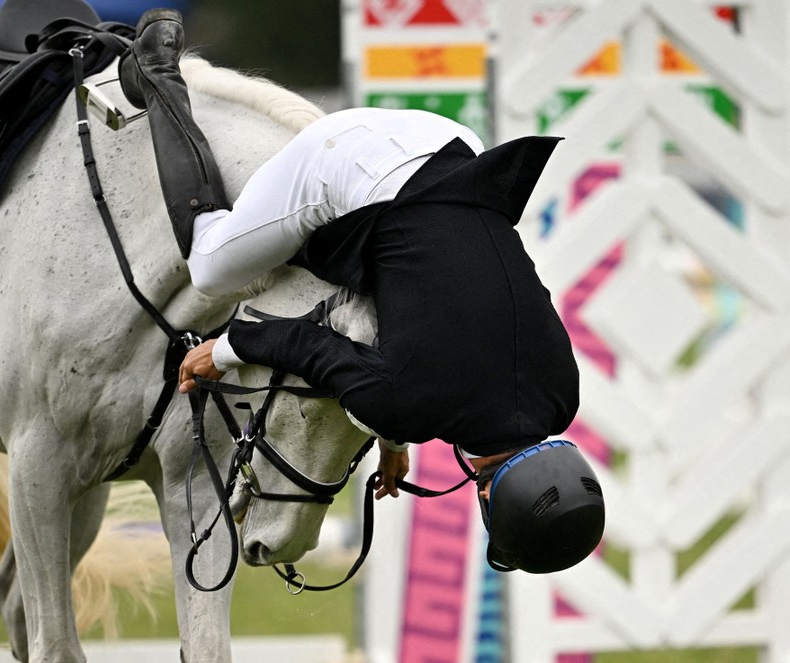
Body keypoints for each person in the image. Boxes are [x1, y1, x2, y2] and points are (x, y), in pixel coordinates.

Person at [120, 9, 604, 573]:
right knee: (209, 266)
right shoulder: (410, 405)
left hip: (453, 146)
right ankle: (158, 76)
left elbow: (439, 330)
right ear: (491, 499)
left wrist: (394, 443)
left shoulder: (560, 394)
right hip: (357, 168)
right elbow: (307, 347)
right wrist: (222, 351)